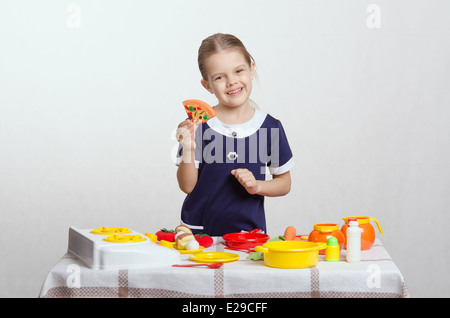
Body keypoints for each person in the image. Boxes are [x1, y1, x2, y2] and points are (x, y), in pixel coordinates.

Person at [175, 33, 294, 236]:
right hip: (199, 235)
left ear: (251, 68)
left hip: (248, 236)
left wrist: (257, 186)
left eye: (238, 71)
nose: (232, 81)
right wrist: (188, 148)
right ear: (207, 86)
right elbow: (187, 186)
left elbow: (284, 183)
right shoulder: (199, 125)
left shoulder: (270, 127)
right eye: (220, 77)